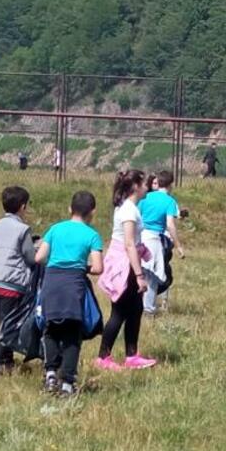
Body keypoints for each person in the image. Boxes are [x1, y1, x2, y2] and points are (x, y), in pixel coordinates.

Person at [34, 191, 104, 396]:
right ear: (93, 212)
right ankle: (67, 382)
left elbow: (39, 258)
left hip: (51, 282)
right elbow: (98, 268)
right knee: (73, 333)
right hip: (74, 285)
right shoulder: (92, 235)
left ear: (69, 209)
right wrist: (83, 267)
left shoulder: (55, 229)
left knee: (51, 328)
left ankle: (50, 374)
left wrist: (56, 264)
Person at [96, 170, 157, 370]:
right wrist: (139, 275)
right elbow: (129, 243)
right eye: (145, 183)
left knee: (135, 310)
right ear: (136, 187)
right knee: (120, 311)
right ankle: (103, 357)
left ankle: (132, 355)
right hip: (126, 265)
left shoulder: (129, 207)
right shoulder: (129, 210)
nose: (148, 186)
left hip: (129, 262)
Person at [0, 186, 37, 377]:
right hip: (12, 283)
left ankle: (7, 361)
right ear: (23, 206)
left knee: (3, 321)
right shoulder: (22, 229)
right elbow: (31, 258)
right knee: (7, 326)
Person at [139, 170, 185, 315]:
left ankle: (136, 306)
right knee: (152, 276)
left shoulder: (145, 197)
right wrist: (178, 245)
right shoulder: (169, 201)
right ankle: (148, 309)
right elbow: (170, 224)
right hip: (154, 239)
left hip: (140, 236)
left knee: (139, 273)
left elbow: (138, 217)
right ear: (171, 184)